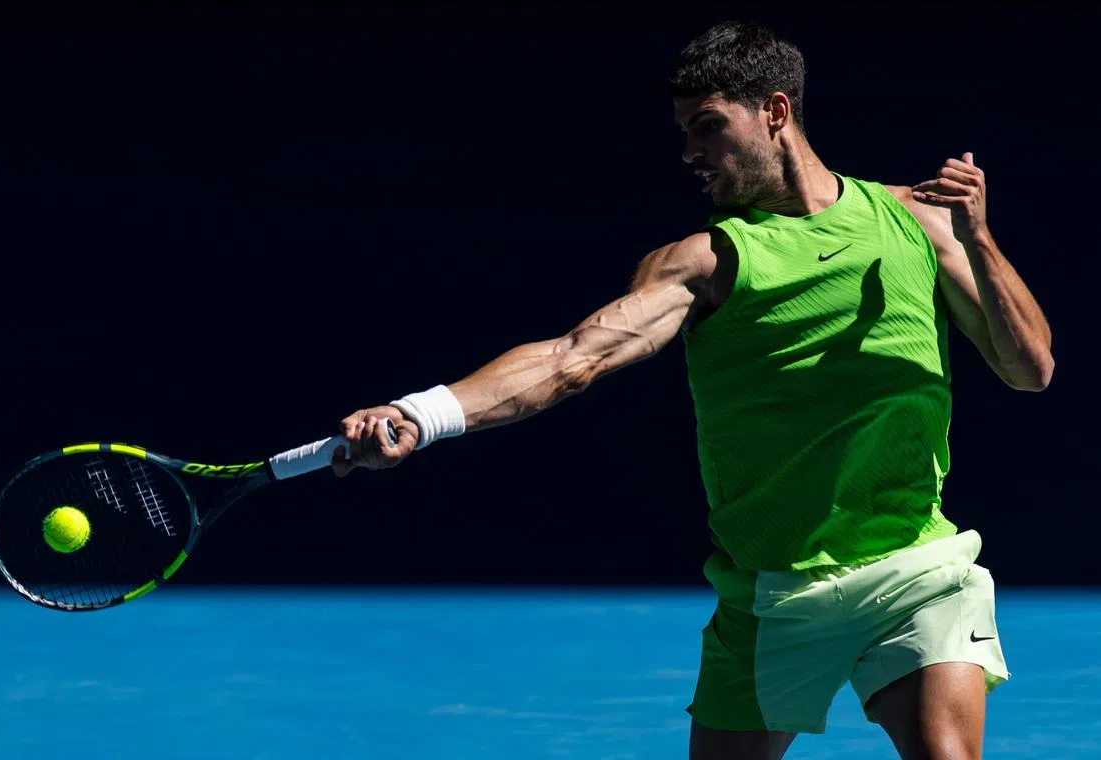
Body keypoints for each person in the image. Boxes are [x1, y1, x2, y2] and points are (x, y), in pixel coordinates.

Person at [330, 20, 1053, 760]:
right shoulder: (705, 262)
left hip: (917, 568)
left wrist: (980, 239)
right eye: (684, 133)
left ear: (776, 111)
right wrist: (420, 414)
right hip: (773, 595)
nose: (690, 154)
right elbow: (571, 358)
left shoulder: (917, 221)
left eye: (707, 127)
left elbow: (1030, 369)